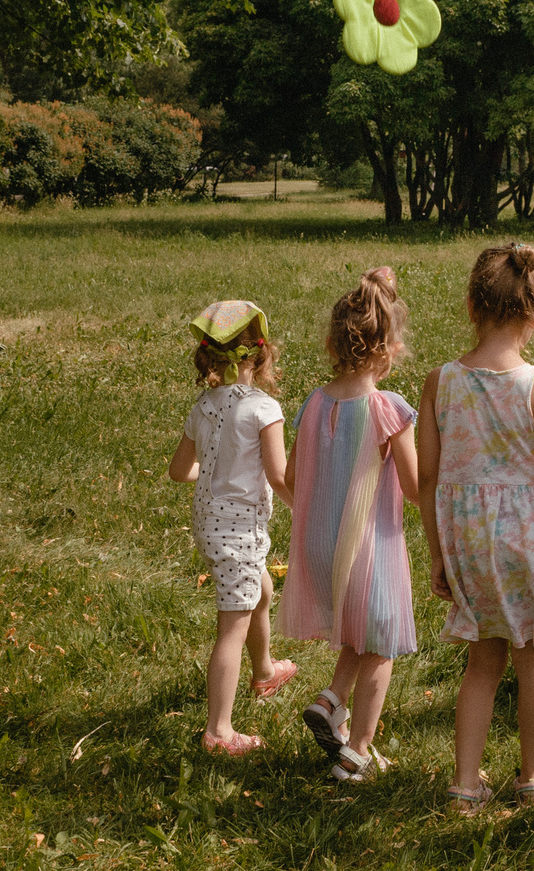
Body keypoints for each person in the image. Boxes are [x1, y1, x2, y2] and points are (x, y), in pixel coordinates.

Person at [418, 242, 534, 813]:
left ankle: (464, 784)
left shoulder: (439, 381)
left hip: (468, 541)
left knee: (481, 661)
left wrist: (438, 553)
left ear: (471, 305)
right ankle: (533, 780)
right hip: (530, 542)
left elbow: (428, 478)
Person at [279, 270, 419, 782]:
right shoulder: (388, 408)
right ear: (389, 350)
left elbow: (291, 477)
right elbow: (416, 487)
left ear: (333, 343)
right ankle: (357, 751)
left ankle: (330, 700)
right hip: (368, 545)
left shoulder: (314, 403)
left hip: (320, 545)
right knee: (382, 643)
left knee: (360, 630)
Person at [167, 300, 296, 754]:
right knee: (232, 628)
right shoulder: (263, 409)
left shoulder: (203, 406)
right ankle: (219, 731)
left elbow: (179, 470)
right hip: (240, 532)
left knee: (261, 590)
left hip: (209, 525)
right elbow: (279, 476)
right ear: (258, 355)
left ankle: (265, 672)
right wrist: (306, 510)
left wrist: (215, 471)